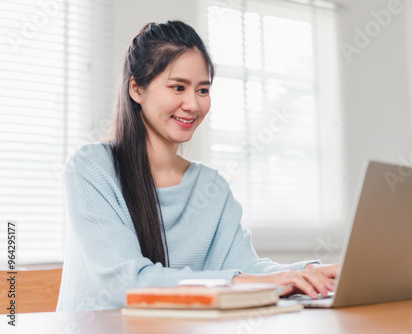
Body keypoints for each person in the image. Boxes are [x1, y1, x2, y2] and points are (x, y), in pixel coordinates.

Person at [56, 20, 338, 312]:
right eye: (178, 87)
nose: (192, 104)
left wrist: (309, 271)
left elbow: (244, 267)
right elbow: (127, 284)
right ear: (136, 90)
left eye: (203, 90)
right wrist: (247, 281)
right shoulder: (91, 169)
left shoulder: (210, 186)